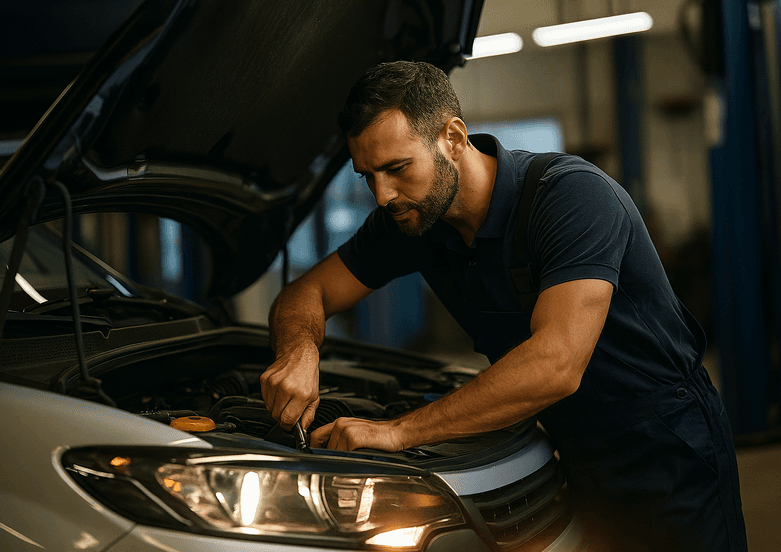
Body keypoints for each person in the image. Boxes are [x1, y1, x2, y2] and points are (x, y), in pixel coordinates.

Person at [260, 61, 747, 551]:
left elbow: (556, 365)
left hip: (663, 446)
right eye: (367, 176)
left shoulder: (571, 198)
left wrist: (397, 432)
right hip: (567, 450)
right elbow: (305, 294)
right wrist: (299, 351)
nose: (382, 195)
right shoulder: (412, 220)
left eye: (397, 168)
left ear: (452, 137)